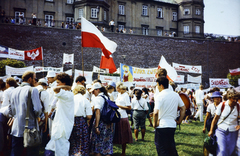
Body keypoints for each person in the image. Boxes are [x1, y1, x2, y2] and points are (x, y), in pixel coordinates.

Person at [9, 71, 42, 156]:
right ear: (30, 79)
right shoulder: (33, 90)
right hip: (30, 128)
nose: (36, 81)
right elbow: (38, 109)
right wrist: (38, 116)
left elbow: (11, 111)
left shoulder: (14, 91)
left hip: (16, 128)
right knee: (32, 153)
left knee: (16, 152)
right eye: (35, 79)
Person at [153, 76, 186, 156]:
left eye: (157, 85)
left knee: (162, 150)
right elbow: (183, 108)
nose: (157, 87)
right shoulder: (175, 95)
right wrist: (179, 120)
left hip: (162, 125)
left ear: (161, 85)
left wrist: (154, 124)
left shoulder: (160, 96)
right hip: (172, 125)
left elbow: (156, 112)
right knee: (171, 148)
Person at [45, 73, 74, 156]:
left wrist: (67, 87)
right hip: (59, 126)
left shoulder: (67, 94)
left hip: (63, 128)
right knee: (51, 148)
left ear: (64, 83)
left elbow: (55, 89)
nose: (56, 84)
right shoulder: (65, 94)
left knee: (61, 152)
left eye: (58, 82)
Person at [208, 91, 239, 156]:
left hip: (233, 131)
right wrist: (211, 130)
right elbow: (215, 119)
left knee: (231, 151)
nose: (235, 101)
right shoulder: (222, 105)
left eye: (237, 99)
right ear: (229, 98)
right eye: (234, 99)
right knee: (222, 150)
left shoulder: (238, 107)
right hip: (221, 130)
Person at [90, 82, 113, 156]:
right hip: (108, 123)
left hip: (100, 123)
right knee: (107, 145)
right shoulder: (107, 97)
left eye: (93, 91)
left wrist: (96, 126)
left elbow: (98, 113)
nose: (92, 93)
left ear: (97, 90)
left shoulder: (98, 99)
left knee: (98, 146)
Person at [69, 85, 92, 156]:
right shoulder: (85, 100)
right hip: (81, 121)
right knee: (82, 141)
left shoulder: (71, 99)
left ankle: (73, 153)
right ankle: (81, 153)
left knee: (72, 140)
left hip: (71, 121)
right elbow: (89, 116)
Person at [113, 84, 133, 156]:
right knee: (117, 134)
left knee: (123, 135)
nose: (116, 89)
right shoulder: (119, 94)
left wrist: (118, 106)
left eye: (117, 88)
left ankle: (123, 152)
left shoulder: (125, 95)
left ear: (121, 88)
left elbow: (129, 107)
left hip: (123, 116)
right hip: (117, 116)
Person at [0, 78, 18, 155]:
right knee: (13, 133)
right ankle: (11, 147)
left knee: (4, 133)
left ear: (8, 84)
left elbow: (5, 104)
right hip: (16, 114)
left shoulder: (6, 91)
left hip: (6, 113)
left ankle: (4, 148)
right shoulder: (17, 90)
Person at [36, 78, 49, 146]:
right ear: (45, 86)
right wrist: (46, 124)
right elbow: (46, 110)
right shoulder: (44, 93)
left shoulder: (32, 90)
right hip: (40, 117)